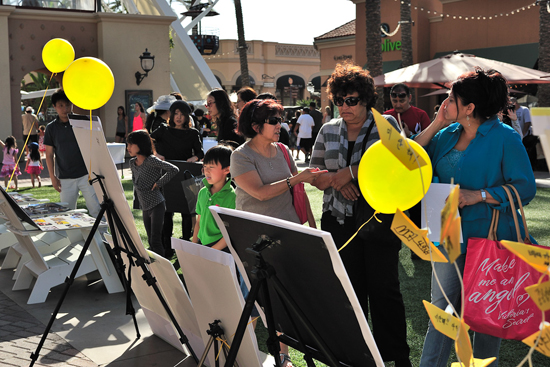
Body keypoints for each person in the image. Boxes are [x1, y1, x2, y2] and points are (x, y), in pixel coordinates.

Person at [414, 68, 536, 367]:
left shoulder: (505, 138)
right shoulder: (445, 134)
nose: (444, 103)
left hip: (489, 239)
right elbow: (410, 157)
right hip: (444, 234)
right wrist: (438, 121)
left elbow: (526, 187)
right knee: (441, 313)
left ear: (469, 107)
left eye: (450, 99)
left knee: (484, 320)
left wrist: (478, 195)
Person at [309, 62, 412, 367]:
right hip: (338, 220)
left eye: (351, 100)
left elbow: (400, 165)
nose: (344, 107)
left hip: (379, 219)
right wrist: (337, 182)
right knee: (348, 292)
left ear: (366, 99)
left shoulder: (387, 127)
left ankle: (396, 358)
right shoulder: (328, 130)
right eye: (339, 101)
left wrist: (350, 172)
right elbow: (314, 175)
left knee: (385, 291)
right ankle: (355, 355)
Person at [231, 99, 324, 366]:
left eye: (281, 119)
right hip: (257, 240)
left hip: (289, 234)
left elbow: (299, 189)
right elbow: (259, 192)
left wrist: (312, 226)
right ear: (255, 125)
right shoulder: (241, 156)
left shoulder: (283, 149)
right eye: (274, 121)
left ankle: (282, 356)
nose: (280, 125)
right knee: (255, 299)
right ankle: (238, 350)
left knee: (285, 299)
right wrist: (297, 177)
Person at [151, 100, 204, 256]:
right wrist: (156, 153)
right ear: (171, 115)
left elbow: (200, 153)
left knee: (187, 213)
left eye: (182, 114)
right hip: (166, 177)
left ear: (187, 116)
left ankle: (186, 245)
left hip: (186, 176)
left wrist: (195, 158)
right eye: (176, 113)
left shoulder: (193, 132)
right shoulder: (162, 130)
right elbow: (147, 140)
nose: (179, 117)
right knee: (166, 213)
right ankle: (167, 246)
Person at [44, 89, 101, 217]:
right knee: (67, 213)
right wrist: (53, 177)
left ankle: (102, 236)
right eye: (61, 105)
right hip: (65, 178)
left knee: (96, 209)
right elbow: (49, 155)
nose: (65, 109)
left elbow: (93, 147)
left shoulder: (82, 123)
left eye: (68, 104)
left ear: (72, 104)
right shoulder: (51, 128)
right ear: (54, 107)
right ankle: (74, 238)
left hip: (86, 175)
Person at [127, 130, 179, 257]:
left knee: (155, 240)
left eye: (131, 144)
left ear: (140, 145)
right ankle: (153, 267)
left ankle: (162, 269)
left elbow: (174, 169)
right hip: (145, 206)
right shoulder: (132, 163)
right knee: (150, 240)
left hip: (157, 203)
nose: (128, 148)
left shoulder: (151, 160)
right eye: (127, 144)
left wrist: (159, 183)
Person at [192, 144, 235, 251]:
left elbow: (231, 233)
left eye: (211, 167)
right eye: (205, 166)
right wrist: (194, 245)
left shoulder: (233, 197)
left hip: (221, 249)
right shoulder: (202, 192)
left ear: (227, 170)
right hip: (202, 245)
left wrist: (212, 251)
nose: (206, 171)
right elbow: (199, 221)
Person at [510, 96, 538, 170]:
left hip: (525, 135)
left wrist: (523, 133)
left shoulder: (524, 109)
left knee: (527, 151)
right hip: (516, 135)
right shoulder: (511, 111)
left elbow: (527, 122)